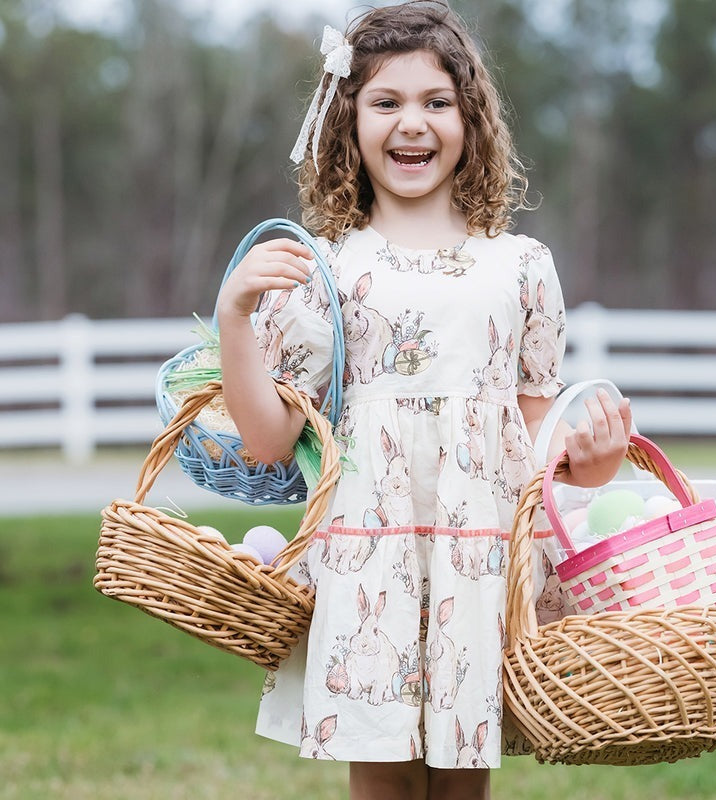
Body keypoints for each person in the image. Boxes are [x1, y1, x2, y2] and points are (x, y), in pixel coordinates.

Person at [217, 2, 632, 798]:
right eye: (387, 102)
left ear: (470, 119)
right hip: (368, 558)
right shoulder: (324, 276)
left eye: (436, 102)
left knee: (460, 772)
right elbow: (268, 442)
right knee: (380, 771)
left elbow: (538, 441)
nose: (414, 123)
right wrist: (237, 317)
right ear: (348, 121)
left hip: (476, 558)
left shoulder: (518, 268)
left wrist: (592, 466)